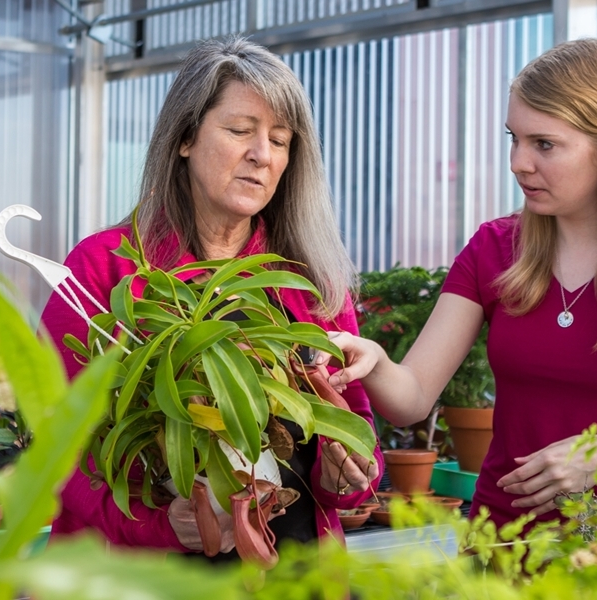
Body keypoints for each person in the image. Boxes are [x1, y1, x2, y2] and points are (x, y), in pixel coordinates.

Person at [322, 39, 597, 529]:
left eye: (544, 144)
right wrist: (375, 361)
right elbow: (413, 397)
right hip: (501, 547)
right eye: (514, 138)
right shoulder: (495, 249)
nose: (518, 163)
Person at [40, 37, 382, 557]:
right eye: (239, 130)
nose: (261, 155)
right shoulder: (105, 268)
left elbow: (352, 425)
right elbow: (55, 437)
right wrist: (154, 525)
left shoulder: (306, 278)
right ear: (185, 138)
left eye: (280, 139)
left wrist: (346, 473)